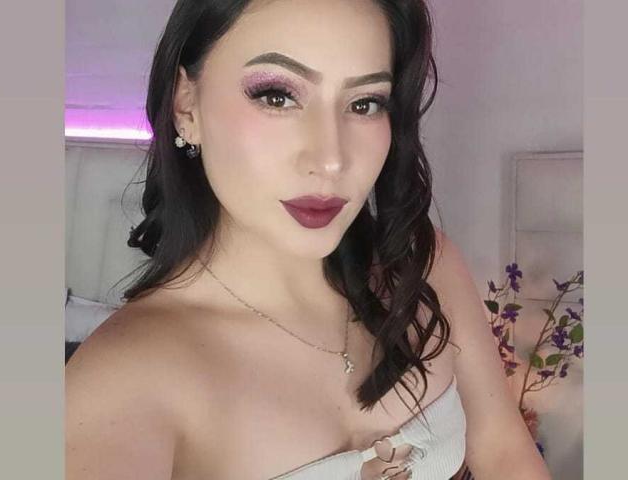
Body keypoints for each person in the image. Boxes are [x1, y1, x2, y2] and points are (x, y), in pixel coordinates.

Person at [65, 0, 552, 479]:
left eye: (364, 103)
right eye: (277, 96)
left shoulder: (424, 268)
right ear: (185, 105)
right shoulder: (122, 380)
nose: (331, 159)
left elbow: (505, 452)